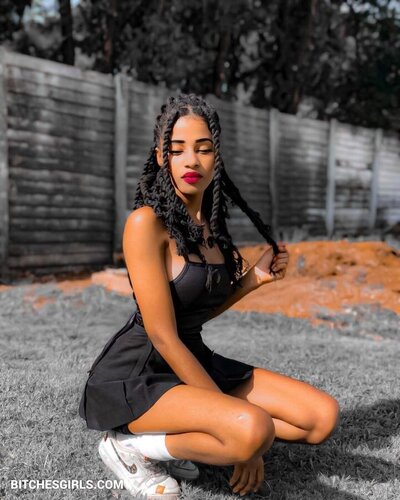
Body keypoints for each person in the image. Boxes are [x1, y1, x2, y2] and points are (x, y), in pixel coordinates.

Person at [79, 94, 340, 499]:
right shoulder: (146, 224)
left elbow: (195, 310)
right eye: (178, 149)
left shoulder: (210, 228)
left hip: (193, 359)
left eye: (203, 149)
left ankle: (193, 436)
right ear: (161, 156)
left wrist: (253, 279)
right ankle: (130, 448)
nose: (192, 160)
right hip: (140, 373)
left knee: (320, 417)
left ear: (216, 157)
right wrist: (241, 431)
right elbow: (163, 335)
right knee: (251, 430)